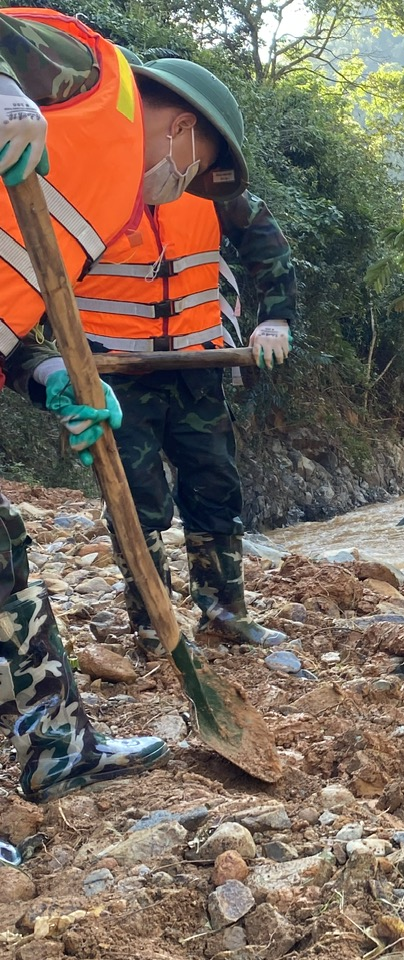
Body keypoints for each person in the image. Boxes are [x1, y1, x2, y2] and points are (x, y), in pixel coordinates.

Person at [0, 8, 185, 798]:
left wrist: (49, 379)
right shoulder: (90, 80)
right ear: (180, 125)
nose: (185, 186)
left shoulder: (94, 198)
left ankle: (58, 746)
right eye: (200, 163)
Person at [73, 49, 297, 656]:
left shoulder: (212, 187)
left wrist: (274, 318)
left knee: (214, 484)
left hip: (199, 363)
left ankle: (224, 610)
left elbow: (268, 252)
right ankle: (153, 625)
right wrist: (48, 367)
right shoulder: (87, 181)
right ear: (179, 129)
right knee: (136, 498)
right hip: (114, 374)